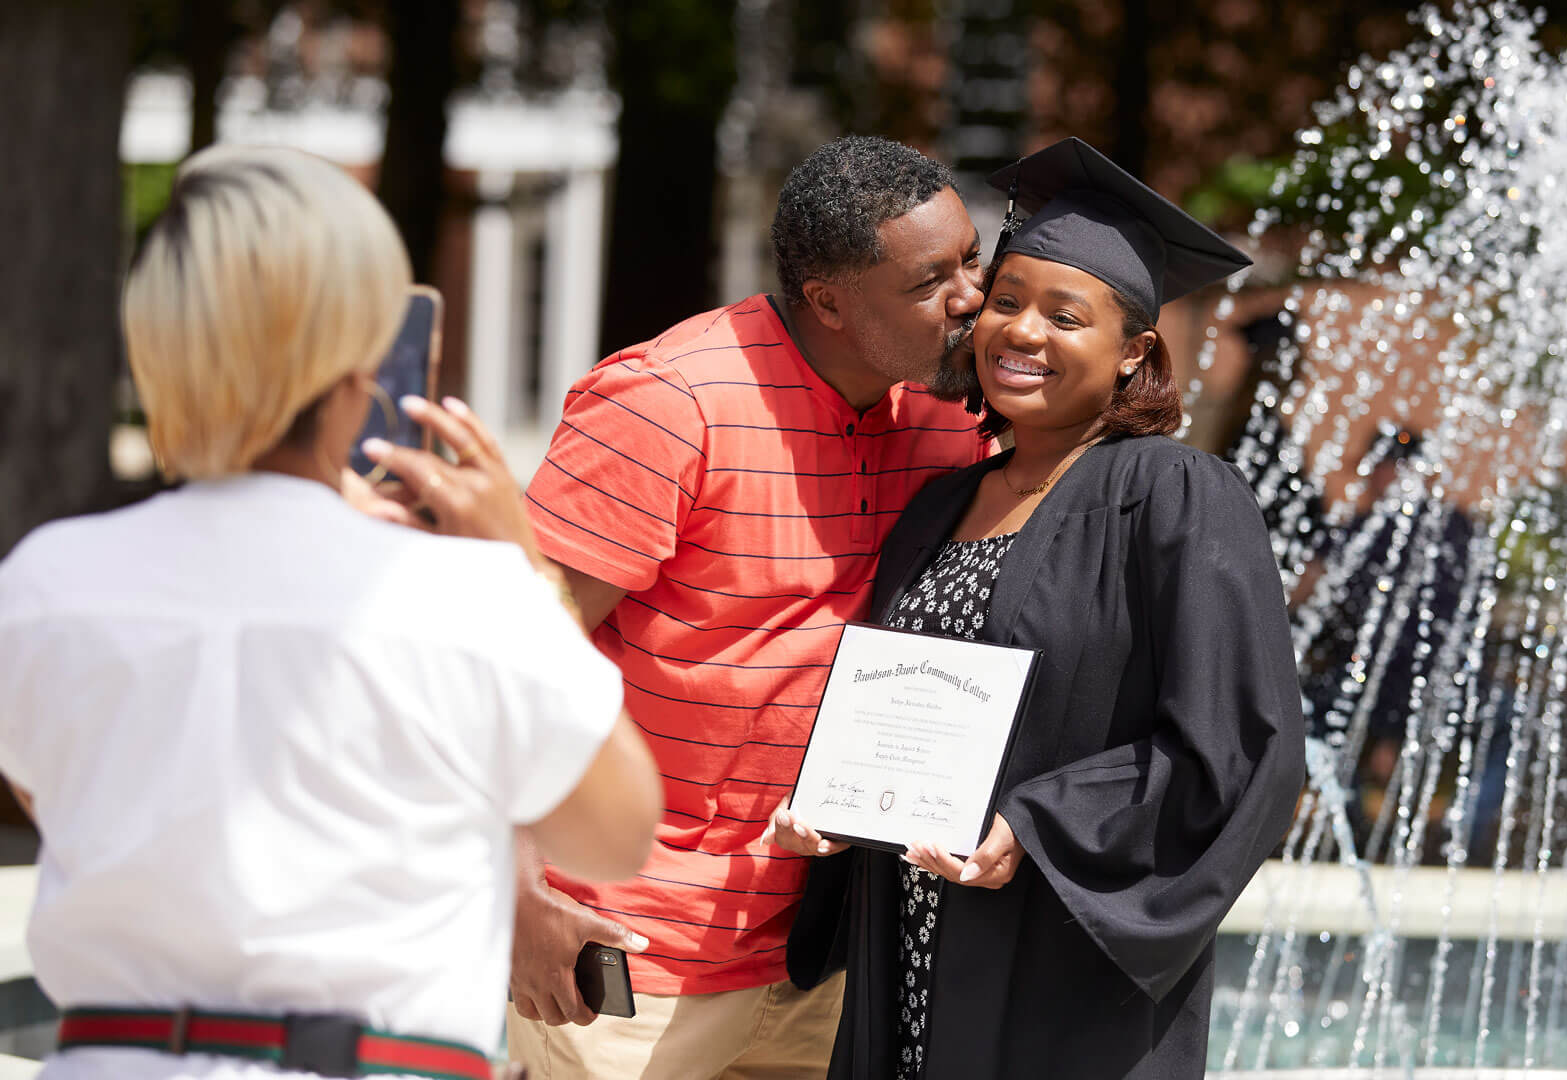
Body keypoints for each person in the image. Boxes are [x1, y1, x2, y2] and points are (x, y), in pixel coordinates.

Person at [0, 146, 662, 1080]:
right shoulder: (460, 596)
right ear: (362, 365)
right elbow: (617, 832)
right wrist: (522, 564)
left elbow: (53, 791)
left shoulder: (46, 583)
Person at [774, 137, 1308, 1079]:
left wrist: (1037, 824)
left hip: (1060, 959)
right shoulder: (943, 503)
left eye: (1067, 316)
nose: (1021, 332)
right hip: (908, 939)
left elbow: (1239, 749)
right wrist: (837, 800)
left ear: (1135, 348)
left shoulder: (1176, 495)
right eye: (1007, 301)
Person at [505, 136, 987, 1079]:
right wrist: (516, 894)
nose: (970, 295)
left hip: (825, 951)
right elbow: (513, 662)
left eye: (972, 258)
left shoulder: (947, 419)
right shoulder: (667, 403)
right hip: (628, 947)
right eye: (932, 279)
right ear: (830, 302)